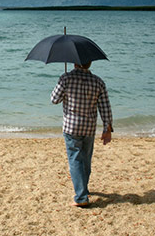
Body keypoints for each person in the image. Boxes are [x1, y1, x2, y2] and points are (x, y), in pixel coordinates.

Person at [51, 61, 113, 207]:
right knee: (85, 159)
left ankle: (81, 197)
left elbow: (54, 99)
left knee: (75, 159)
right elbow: (105, 106)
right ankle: (83, 188)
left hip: (71, 127)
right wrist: (107, 127)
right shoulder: (98, 81)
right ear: (90, 63)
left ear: (74, 63)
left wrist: (65, 88)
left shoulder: (66, 78)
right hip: (89, 127)